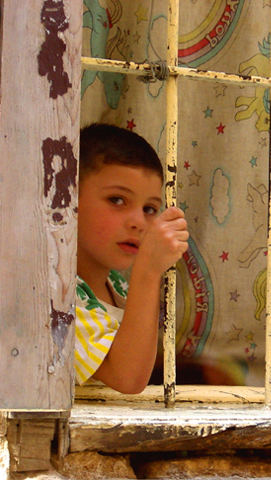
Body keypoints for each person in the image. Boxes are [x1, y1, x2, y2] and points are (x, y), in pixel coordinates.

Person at [75, 123, 189, 394]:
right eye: (117, 200)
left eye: (150, 208)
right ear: (68, 198)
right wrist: (148, 272)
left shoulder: (116, 284)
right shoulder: (57, 294)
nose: (139, 222)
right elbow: (126, 378)